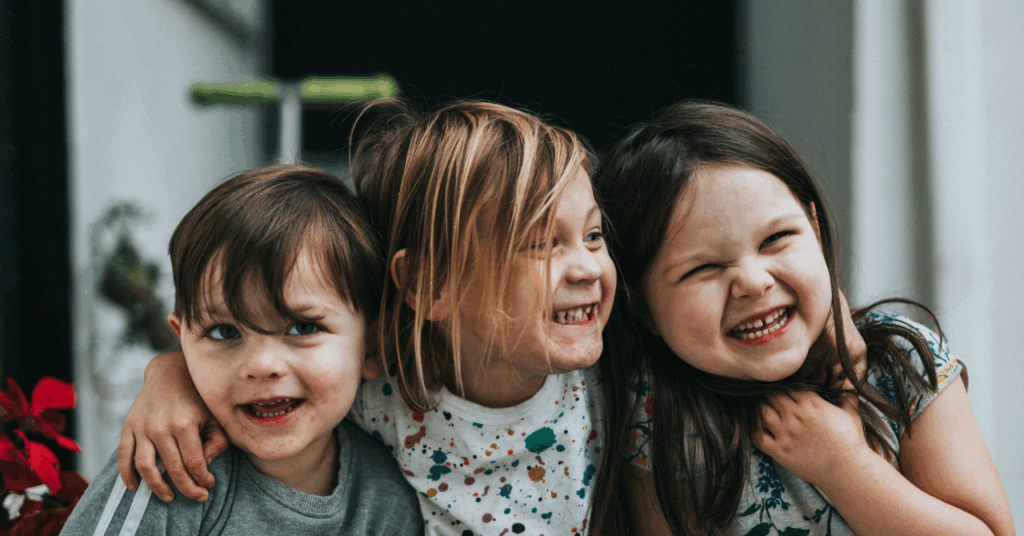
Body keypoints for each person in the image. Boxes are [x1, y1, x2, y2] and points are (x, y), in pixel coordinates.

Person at [111, 102, 627, 535]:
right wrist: (173, 375)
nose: (586, 267)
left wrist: (169, 374)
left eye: (593, 235)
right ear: (429, 286)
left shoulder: (618, 380)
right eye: (539, 243)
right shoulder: (380, 390)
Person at [592, 101, 1015, 535]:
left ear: (815, 228)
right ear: (642, 307)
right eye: (704, 268)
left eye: (776, 238)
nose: (754, 283)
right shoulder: (655, 411)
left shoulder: (899, 360)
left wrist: (845, 467)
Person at [63, 165, 423, 535]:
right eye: (224, 332)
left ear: (372, 346)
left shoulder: (386, 501)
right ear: (182, 342)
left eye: (303, 327)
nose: (262, 364)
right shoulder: (171, 468)